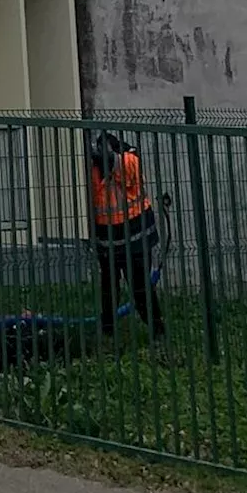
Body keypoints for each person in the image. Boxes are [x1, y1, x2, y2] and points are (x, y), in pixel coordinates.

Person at [90, 130, 164, 340]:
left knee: (140, 288)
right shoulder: (95, 170)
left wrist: (103, 155)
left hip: (137, 238)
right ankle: (107, 332)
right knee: (109, 291)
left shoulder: (130, 161)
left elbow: (119, 164)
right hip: (108, 242)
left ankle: (158, 331)